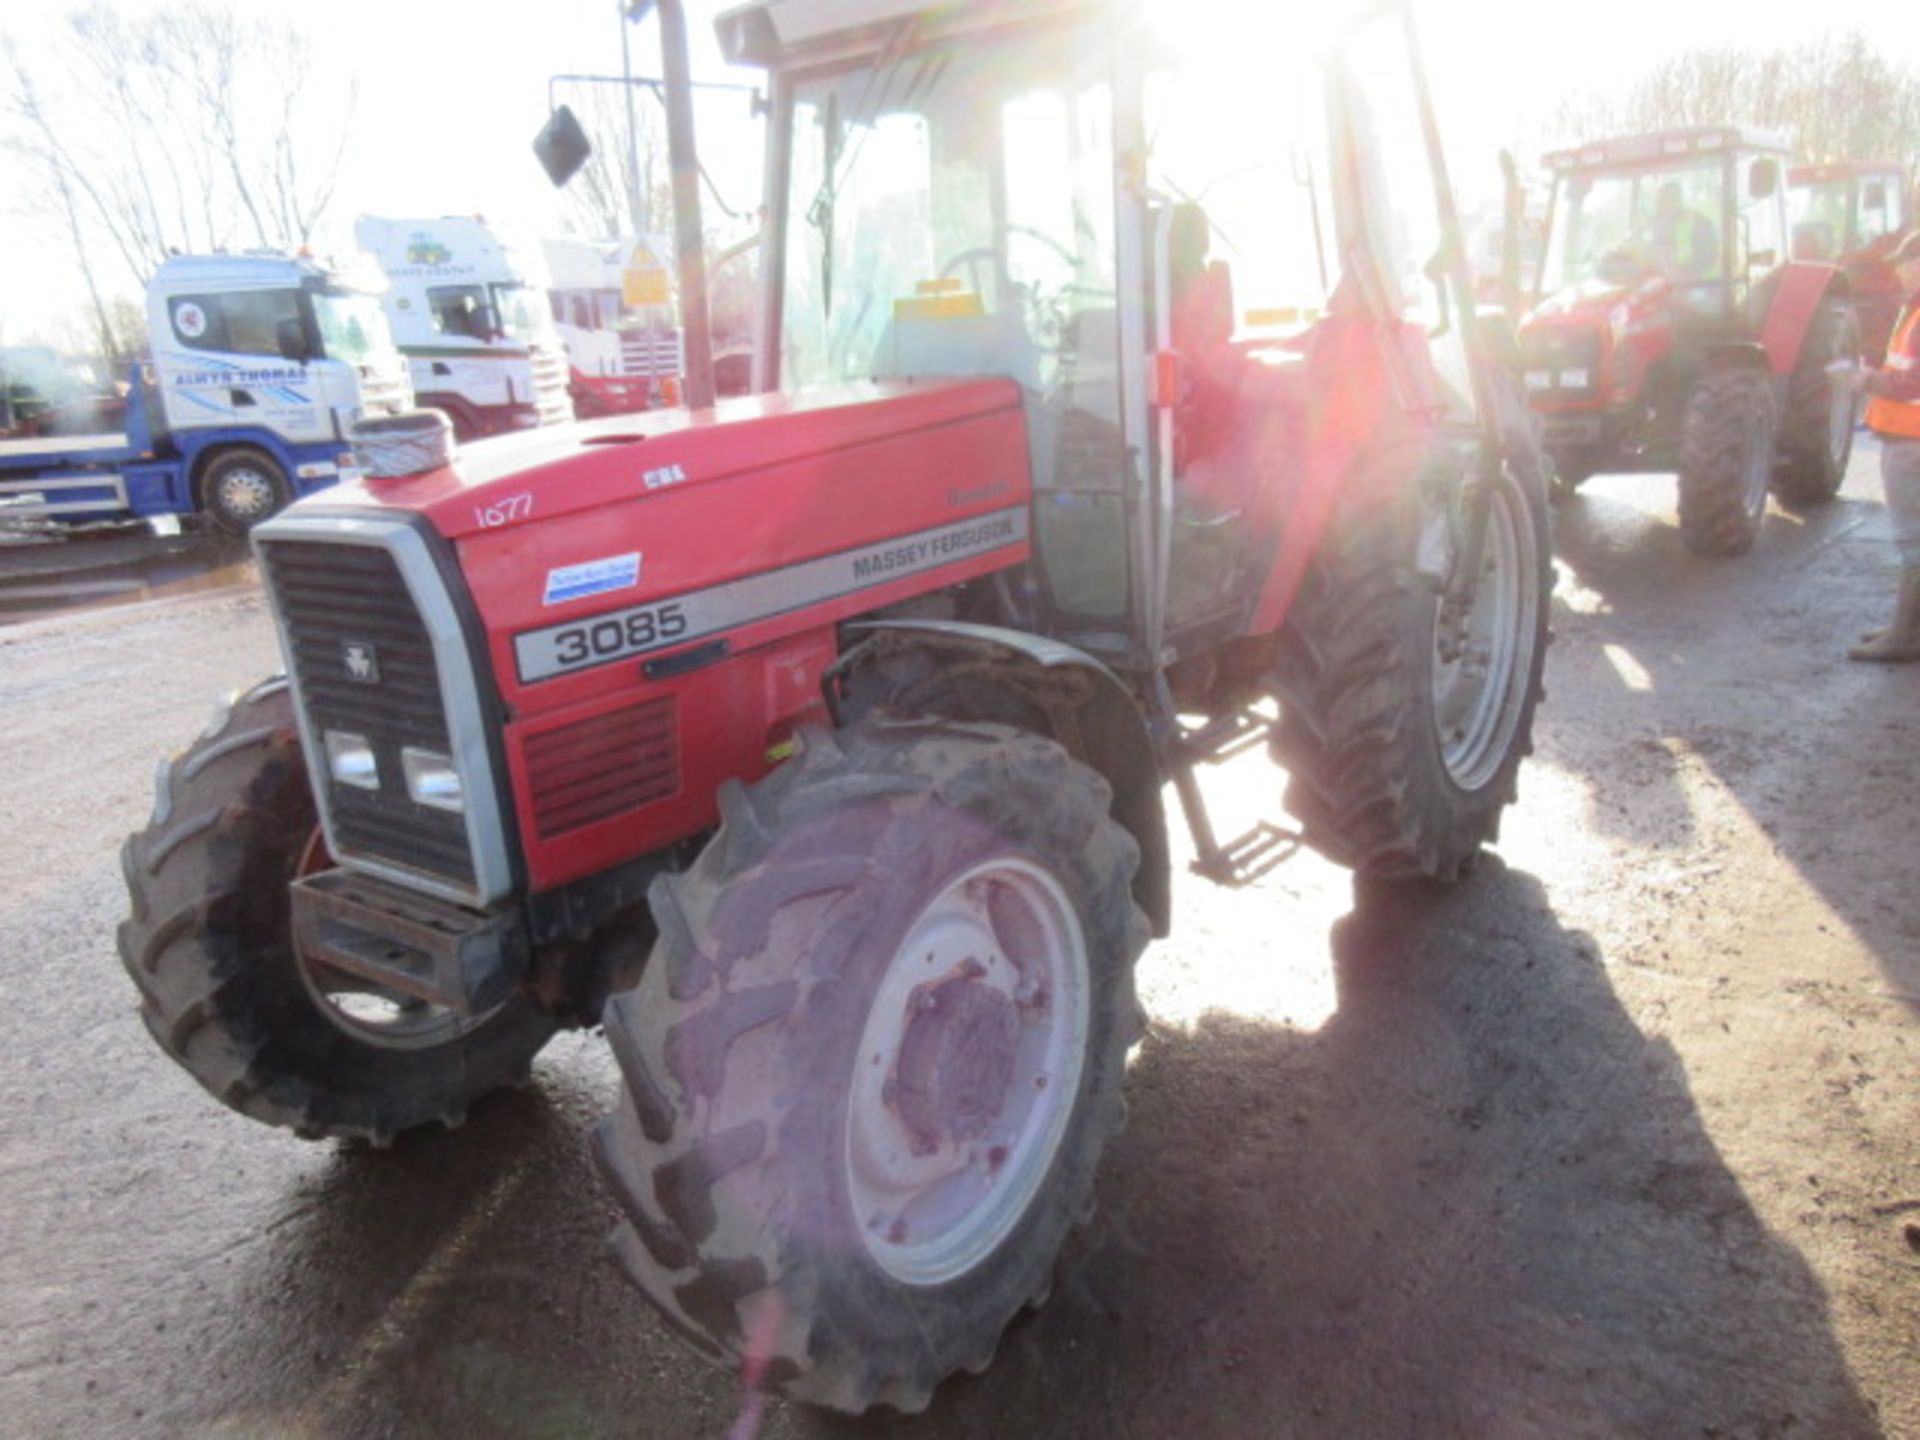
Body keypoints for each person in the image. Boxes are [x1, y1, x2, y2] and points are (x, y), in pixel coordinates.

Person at [1852, 230, 1920, 662]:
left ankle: (1903, 636)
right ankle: (1906, 629)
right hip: (1908, 439)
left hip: (1911, 443)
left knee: (1911, 542)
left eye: (1903, 262)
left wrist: (1868, 380)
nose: (1896, 269)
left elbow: (1912, 383)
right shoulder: (1912, 311)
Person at [1648, 181, 1719, 282]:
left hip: (1700, 284)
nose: (1659, 205)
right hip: (1667, 284)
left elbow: (1709, 256)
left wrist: (1683, 270)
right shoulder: (1654, 225)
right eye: (1659, 201)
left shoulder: (1698, 222)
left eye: (1664, 200)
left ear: (1676, 201)